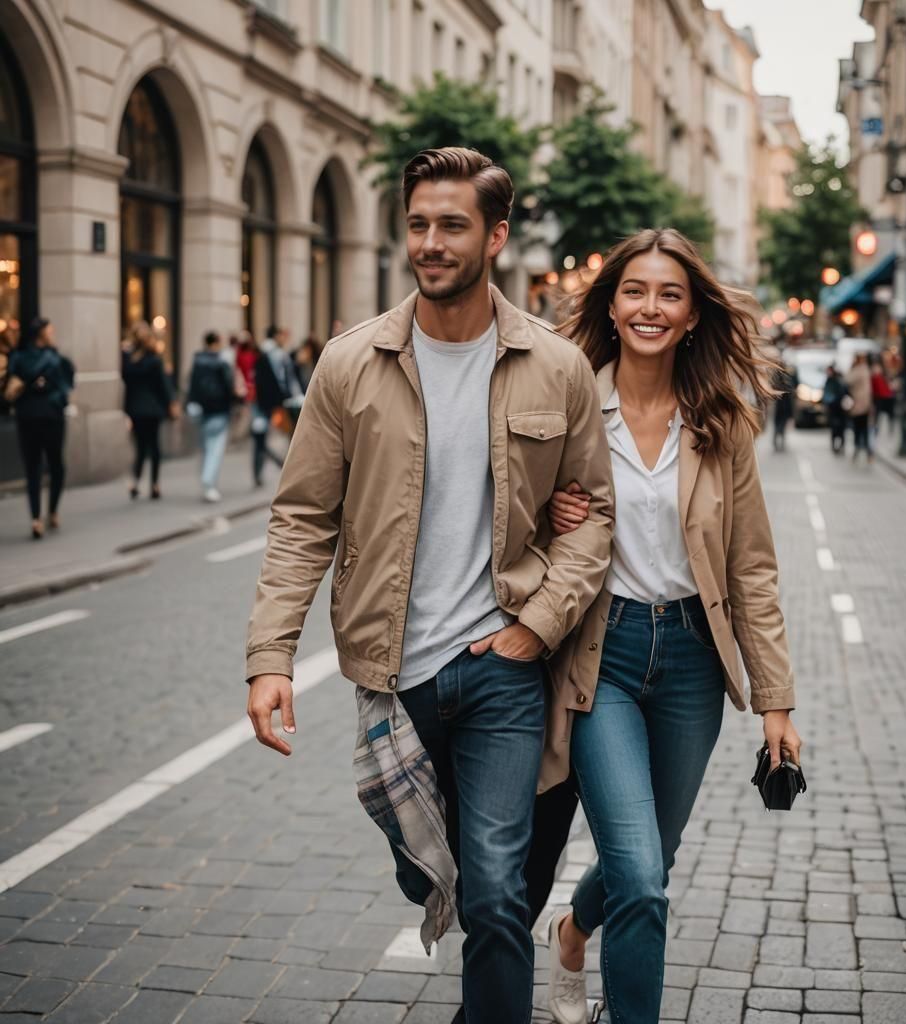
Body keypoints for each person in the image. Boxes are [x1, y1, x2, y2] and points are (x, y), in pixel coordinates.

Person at [244, 147, 615, 1024]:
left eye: (452, 225)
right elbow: (302, 519)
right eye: (418, 224)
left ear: (496, 235)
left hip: (501, 666)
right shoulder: (350, 364)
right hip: (392, 673)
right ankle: (432, 879)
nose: (431, 243)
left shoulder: (555, 366)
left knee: (494, 891)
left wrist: (536, 626)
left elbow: (593, 515)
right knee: (427, 869)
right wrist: (271, 658)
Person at [542, 229, 801, 1024]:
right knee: (645, 878)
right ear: (611, 305)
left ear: (692, 315)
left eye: (669, 294)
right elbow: (502, 519)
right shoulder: (570, 402)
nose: (650, 307)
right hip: (601, 655)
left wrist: (776, 700)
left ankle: (573, 929)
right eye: (635, 291)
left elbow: (751, 565)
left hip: (692, 657)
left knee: (652, 855)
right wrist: (547, 518)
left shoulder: (723, 420)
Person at [4, 317, 74, 539]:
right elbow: (66, 385)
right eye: (49, 329)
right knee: (55, 466)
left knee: (34, 468)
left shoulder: (20, 357)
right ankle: (49, 512)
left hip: (30, 416)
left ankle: (37, 517)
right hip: (48, 417)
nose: (52, 332)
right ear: (41, 334)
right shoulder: (52, 358)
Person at [121, 321, 176, 499]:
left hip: (136, 408)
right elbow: (163, 385)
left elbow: (126, 382)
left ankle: (136, 481)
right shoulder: (154, 360)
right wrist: (171, 403)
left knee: (140, 447)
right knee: (154, 447)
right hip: (153, 408)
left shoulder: (128, 360)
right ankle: (154, 484)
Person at [186, 330, 235, 502]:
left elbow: (191, 385)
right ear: (216, 343)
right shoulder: (222, 362)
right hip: (219, 410)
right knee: (216, 448)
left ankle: (206, 482)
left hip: (202, 411)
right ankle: (209, 483)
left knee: (206, 448)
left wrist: (191, 403)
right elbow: (229, 386)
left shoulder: (197, 361)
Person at [251, 325, 302, 486]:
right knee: (267, 439)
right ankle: (279, 466)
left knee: (263, 440)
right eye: (282, 335)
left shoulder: (271, 354)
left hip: (269, 404)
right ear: (276, 336)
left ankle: (265, 471)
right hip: (272, 405)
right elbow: (283, 381)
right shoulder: (271, 355)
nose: (285, 339)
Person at [845, 351, 873, 461]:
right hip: (865, 404)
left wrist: (851, 367)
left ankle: (858, 449)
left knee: (858, 428)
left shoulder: (858, 370)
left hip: (858, 404)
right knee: (865, 429)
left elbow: (847, 379)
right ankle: (868, 452)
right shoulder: (866, 370)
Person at [822, 363, 847, 454]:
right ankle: (834, 446)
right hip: (832, 409)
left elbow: (842, 394)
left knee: (840, 428)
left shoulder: (838, 381)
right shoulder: (828, 380)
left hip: (839, 409)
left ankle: (841, 445)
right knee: (834, 428)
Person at [771, 360, 796, 452]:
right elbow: (790, 390)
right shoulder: (784, 378)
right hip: (782, 404)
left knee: (779, 423)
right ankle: (778, 440)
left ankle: (777, 440)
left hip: (780, 404)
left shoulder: (777, 377)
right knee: (780, 424)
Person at [870, 353, 895, 438]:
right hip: (879, 396)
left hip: (886, 396)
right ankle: (877, 430)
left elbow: (889, 382)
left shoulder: (884, 372)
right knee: (878, 416)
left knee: (888, 416)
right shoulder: (874, 373)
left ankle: (888, 431)